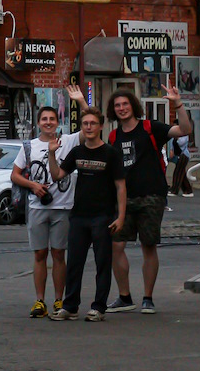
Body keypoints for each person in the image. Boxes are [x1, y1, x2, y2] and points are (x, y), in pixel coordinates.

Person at [71, 78, 192, 314]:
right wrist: (81, 104)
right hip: (123, 199)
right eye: (117, 105)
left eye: (125, 104)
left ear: (133, 105)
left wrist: (178, 104)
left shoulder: (150, 127)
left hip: (151, 195)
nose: (121, 108)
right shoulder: (114, 136)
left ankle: (148, 298)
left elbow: (184, 130)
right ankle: (125, 297)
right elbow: (93, 130)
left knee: (148, 245)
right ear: (113, 110)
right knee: (116, 246)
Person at [48, 107, 126, 321]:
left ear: (100, 126)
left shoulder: (111, 153)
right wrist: (52, 153)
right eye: (85, 124)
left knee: (102, 262)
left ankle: (98, 307)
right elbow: (57, 175)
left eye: (93, 123)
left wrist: (120, 217)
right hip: (79, 216)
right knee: (74, 262)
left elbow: (120, 186)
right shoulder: (77, 152)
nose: (89, 127)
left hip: (103, 216)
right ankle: (70, 306)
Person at [11, 99, 81, 319]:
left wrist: (80, 100)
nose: (48, 123)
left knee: (59, 254)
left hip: (62, 206)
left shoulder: (68, 141)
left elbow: (93, 120)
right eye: (44, 119)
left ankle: (59, 299)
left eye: (52, 119)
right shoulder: (29, 146)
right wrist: (33, 185)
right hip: (37, 206)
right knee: (40, 253)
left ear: (58, 122)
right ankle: (40, 300)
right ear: (38, 123)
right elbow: (14, 174)